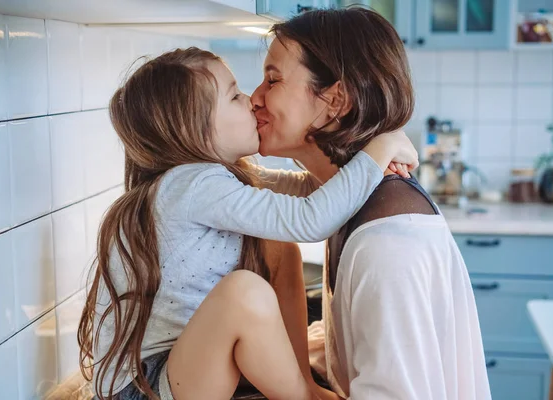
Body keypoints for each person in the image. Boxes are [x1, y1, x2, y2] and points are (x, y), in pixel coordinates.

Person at [77, 47, 418, 400]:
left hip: (182, 369)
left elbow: (307, 191)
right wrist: (380, 148)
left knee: (280, 250)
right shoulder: (192, 186)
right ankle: (305, 397)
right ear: (195, 126)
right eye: (235, 95)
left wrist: (366, 167)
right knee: (243, 292)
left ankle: (302, 382)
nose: (252, 101)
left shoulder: (210, 181)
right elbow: (310, 219)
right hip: (143, 388)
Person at [250, 7, 492, 400]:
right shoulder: (343, 196)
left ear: (336, 100)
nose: (254, 98)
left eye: (272, 80)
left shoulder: (389, 244)